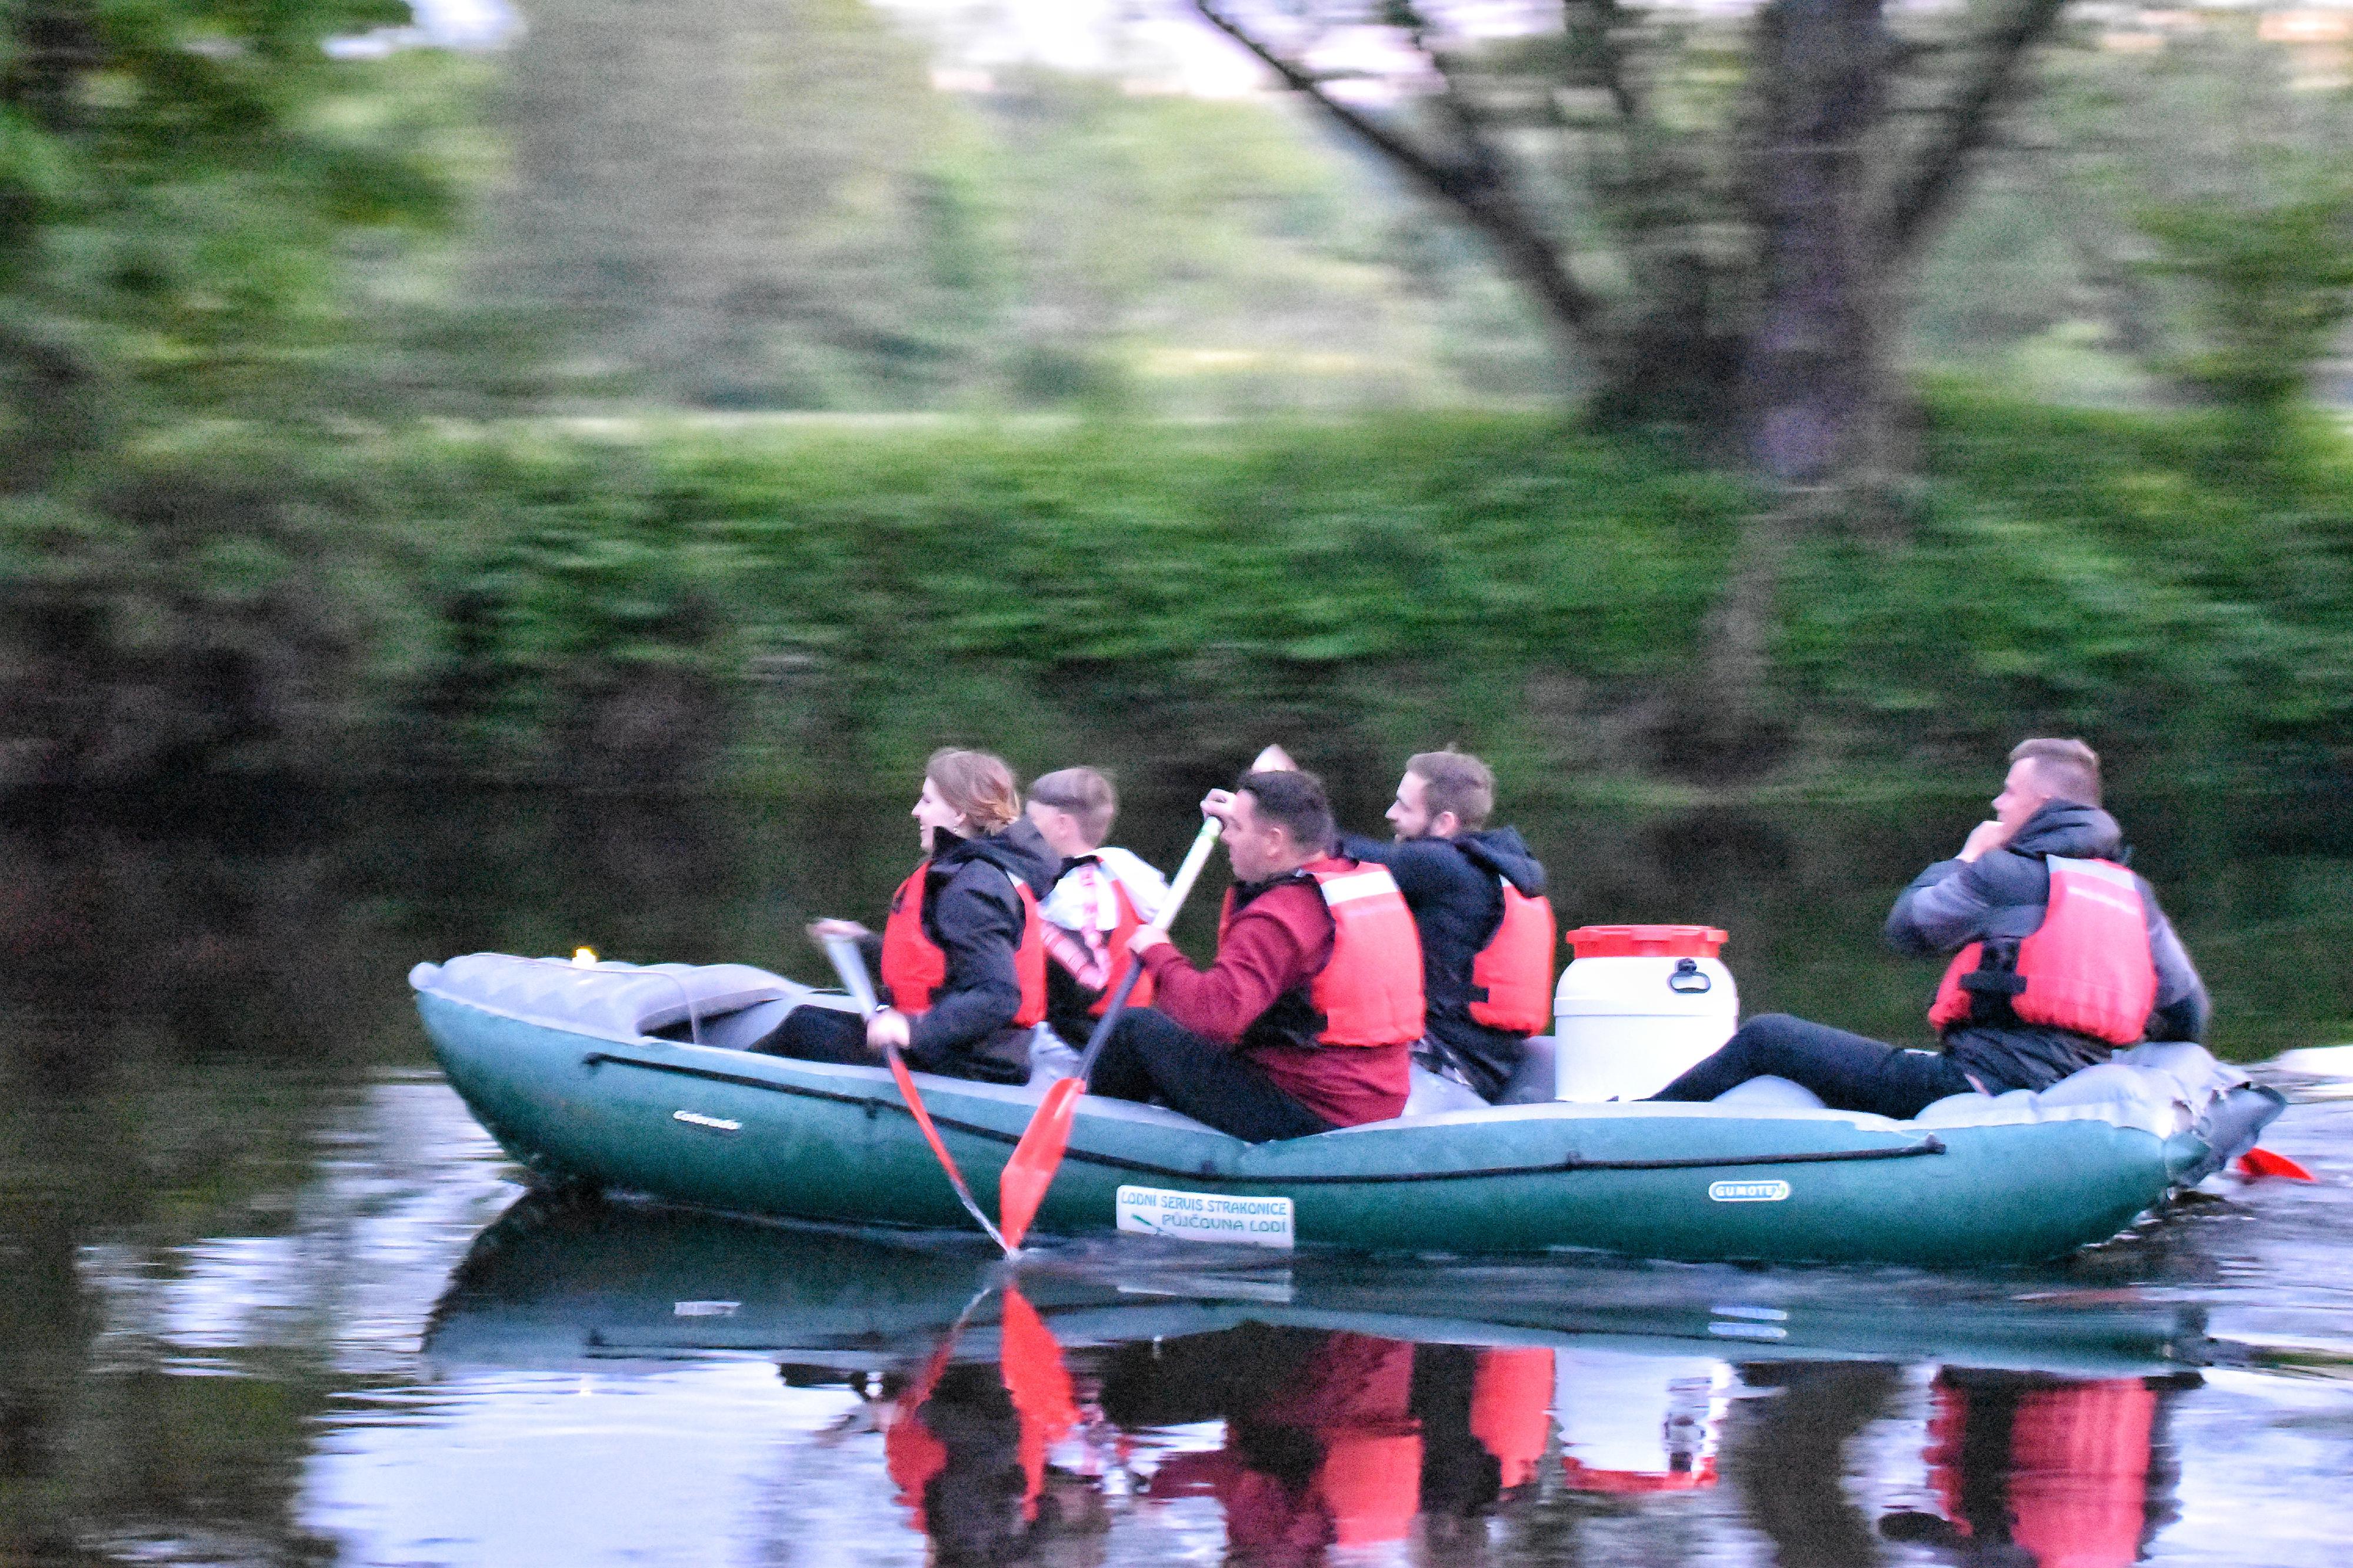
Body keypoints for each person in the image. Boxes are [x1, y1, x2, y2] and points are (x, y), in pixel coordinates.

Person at [1651, 738, 2209, 1119]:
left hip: (1979, 1086)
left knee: (1768, 1036)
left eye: (2009, 793)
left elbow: (1909, 928)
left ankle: (1634, 1128)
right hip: (2074, 1090)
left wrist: (1966, 857)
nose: (1997, 802)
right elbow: (2188, 1015)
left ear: (2041, 805)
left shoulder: (2002, 873)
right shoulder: (2135, 895)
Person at [1091, 768, 1423, 1140]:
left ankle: (1098, 1154)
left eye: (1235, 827)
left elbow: (1212, 1015)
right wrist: (1244, 814)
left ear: (1273, 842)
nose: (1225, 838)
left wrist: (1159, 952)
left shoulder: (1280, 916)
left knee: (1134, 1030)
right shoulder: (1353, 877)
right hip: (1373, 1101)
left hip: (1313, 1111)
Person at [756, 748, 1059, 1083]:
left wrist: (911, 1029)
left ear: (959, 813)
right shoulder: (964, 874)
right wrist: (861, 944)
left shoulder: (973, 888)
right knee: (809, 1021)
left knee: (805, 1029)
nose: (917, 812)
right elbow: (944, 966)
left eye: (928, 802)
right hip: (953, 1051)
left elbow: (997, 995)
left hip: (966, 1066)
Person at [1286, 746, 1555, 1102]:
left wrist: (1284, 809)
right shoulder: (1494, 870)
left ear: (1444, 823)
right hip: (1487, 1062)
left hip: (1449, 1062)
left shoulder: (1439, 865)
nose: (1390, 814)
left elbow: (1335, 850)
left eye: (1404, 806)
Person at [1023, 766, 1172, 1047]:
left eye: (1032, 821)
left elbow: (1086, 984)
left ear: (1062, 825)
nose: (1025, 831)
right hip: (1118, 1034)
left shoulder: (1077, 891)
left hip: (1081, 1044)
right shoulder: (1120, 873)